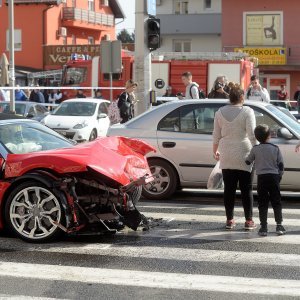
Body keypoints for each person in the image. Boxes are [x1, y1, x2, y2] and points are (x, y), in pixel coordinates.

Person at [213, 86, 257, 230]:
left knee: (229, 189)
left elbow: (216, 135)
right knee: (246, 189)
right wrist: (257, 151)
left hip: (226, 153)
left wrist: (215, 151)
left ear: (229, 98)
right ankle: (249, 221)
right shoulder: (247, 111)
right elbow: (252, 135)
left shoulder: (219, 112)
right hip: (244, 153)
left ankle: (230, 220)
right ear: (242, 97)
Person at [245, 124, 286, 236]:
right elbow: (281, 164)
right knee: (276, 202)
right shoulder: (275, 148)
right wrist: (279, 176)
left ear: (257, 137)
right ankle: (279, 225)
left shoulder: (255, 149)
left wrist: (246, 159)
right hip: (274, 178)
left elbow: (248, 161)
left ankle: (263, 227)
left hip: (262, 179)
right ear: (269, 136)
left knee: (262, 203)